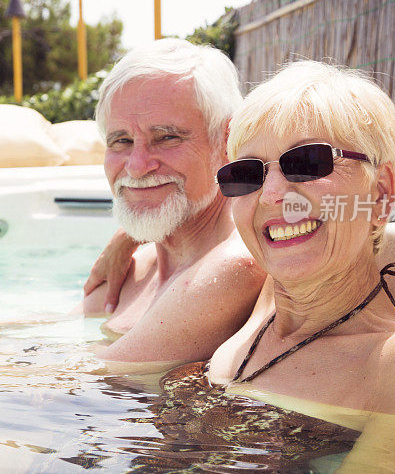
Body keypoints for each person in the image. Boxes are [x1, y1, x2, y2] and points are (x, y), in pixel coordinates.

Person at [165, 60, 395, 470]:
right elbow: (191, 220)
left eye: (307, 162)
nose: (272, 194)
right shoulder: (267, 295)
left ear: (380, 194)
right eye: (247, 173)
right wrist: (126, 238)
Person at [78, 38, 266, 367]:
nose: (136, 167)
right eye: (121, 140)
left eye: (167, 137)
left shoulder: (231, 268)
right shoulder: (137, 266)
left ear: (228, 141)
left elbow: (89, 384)